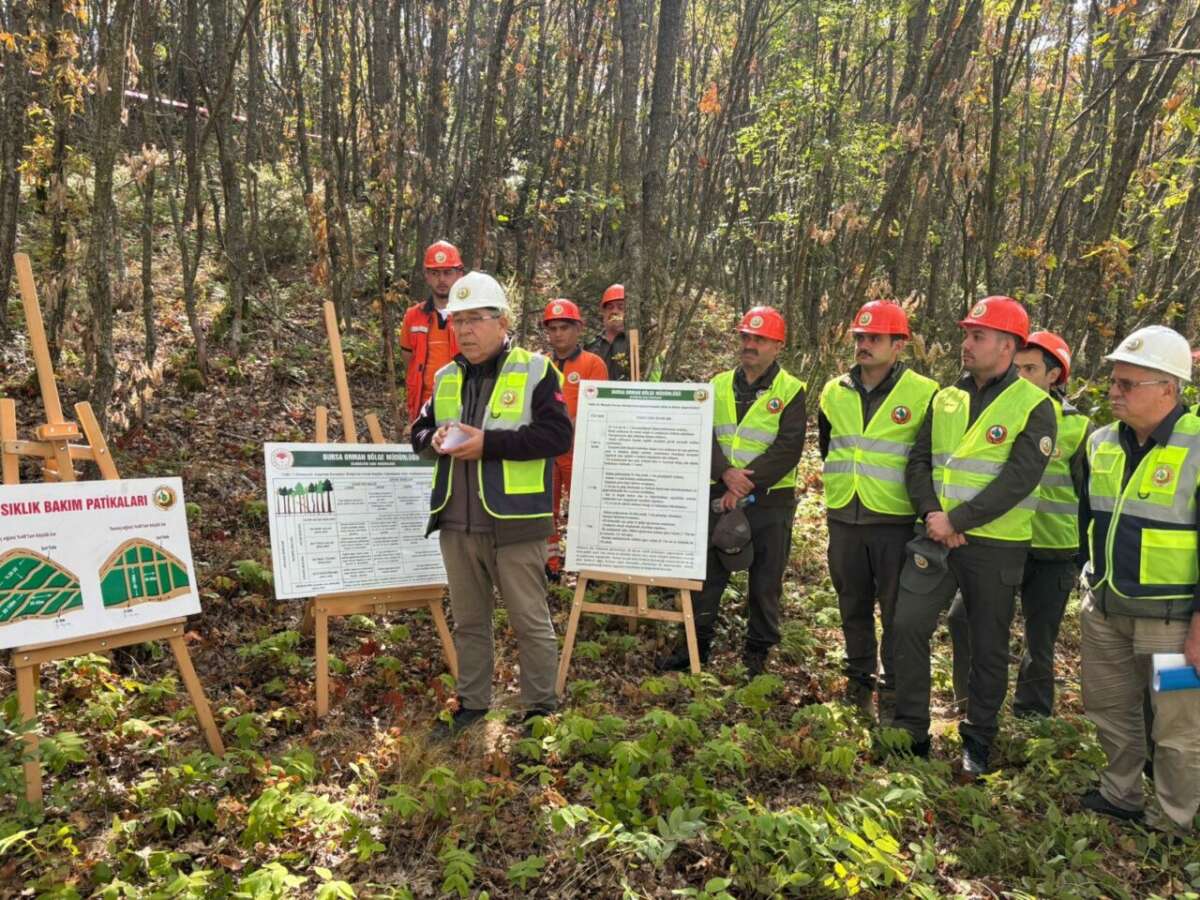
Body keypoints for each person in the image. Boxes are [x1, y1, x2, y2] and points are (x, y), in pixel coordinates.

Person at [892, 296, 1056, 777]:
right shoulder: (946, 396)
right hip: (936, 537)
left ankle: (978, 740)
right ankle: (912, 729)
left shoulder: (1035, 405)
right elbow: (919, 461)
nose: (965, 344)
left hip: (994, 546)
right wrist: (931, 514)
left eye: (976, 336)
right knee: (907, 624)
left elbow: (1018, 480)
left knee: (987, 645)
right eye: (966, 334)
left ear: (1007, 345)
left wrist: (957, 520)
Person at [410, 271, 572, 735]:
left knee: (529, 620)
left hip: (516, 524)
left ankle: (540, 709)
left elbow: (558, 434)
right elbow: (418, 433)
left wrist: (490, 444)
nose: (463, 330)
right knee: (470, 622)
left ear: (501, 322)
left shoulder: (536, 370)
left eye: (474, 319)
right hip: (457, 524)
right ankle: (472, 707)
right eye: (456, 321)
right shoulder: (445, 378)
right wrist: (433, 436)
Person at [1077, 325, 1200, 837]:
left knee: (1176, 726)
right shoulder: (1101, 442)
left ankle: (1175, 819)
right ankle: (1119, 793)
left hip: (1171, 627)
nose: (1115, 392)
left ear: (1169, 389)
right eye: (1115, 382)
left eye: (1130, 384)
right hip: (1105, 612)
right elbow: (1088, 520)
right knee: (1110, 707)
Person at [947, 331, 1090, 719]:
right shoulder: (992, 410)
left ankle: (1032, 718)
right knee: (961, 620)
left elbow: (1088, 498)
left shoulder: (1078, 429)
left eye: (1031, 368)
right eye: (1018, 366)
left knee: (1038, 643)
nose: (1021, 374)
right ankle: (968, 703)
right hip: (999, 541)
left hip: (1051, 551)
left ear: (1054, 376)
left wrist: (1084, 558)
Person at [657, 306, 806, 676]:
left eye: (759, 339)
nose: (750, 345)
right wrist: (725, 472)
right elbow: (701, 434)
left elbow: (789, 447)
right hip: (720, 495)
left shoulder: (791, 390)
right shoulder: (717, 384)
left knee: (765, 583)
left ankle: (756, 656)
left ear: (778, 346)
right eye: (745, 337)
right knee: (706, 577)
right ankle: (695, 647)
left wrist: (745, 483)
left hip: (771, 501)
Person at [818, 301, 938, 721]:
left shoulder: (925, 393)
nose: (864, 345)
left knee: (894, 610)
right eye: (860, 338)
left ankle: (893, 691)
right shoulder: (835, 389)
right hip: (844, 515)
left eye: (874, 339)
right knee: (851, 602)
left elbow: (929, 457)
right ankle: (858, 683)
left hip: (894, 519)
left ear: (898, 344)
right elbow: (828, 444)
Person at [541, 299, 608, 577]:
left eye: (564, 327)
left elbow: (598, 410)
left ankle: (589, 568)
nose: (558, 334)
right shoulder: (540, 364)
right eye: (553, 328)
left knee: (586, 510)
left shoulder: (593, 364)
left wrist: (561, 428)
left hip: (579, 452)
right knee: (546, 511)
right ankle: (550, 564)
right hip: (546, 453)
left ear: (578, 328)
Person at [400, 241, 464, 426]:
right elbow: (408, 359)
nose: (441, 279)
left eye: (447, 272)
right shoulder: (413, 316)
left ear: (459, 274)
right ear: (427, 276)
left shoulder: (469, 317)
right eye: (435, 273)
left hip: (461, 408)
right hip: (423, 408)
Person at [587, 284, 631, 381]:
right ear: (603, 312)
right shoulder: (591, 346)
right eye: (610, 307)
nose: (614, 311)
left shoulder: (636, 343)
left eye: (621, 307)